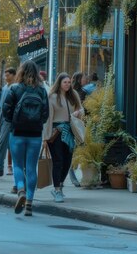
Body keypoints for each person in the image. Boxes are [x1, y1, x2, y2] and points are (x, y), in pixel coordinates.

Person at [2, 61, 49, 216]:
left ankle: (20, 189)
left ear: (20, 72)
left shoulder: (14, 88)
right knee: (31, 168)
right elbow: (45, 113)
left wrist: (13, 122)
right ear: (36, 73)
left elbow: (6, 110)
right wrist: (37, 124)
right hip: (35, 134)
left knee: (17, 165)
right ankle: (29, 203)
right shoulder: (41, 90)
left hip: (17, 132)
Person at [44, 72, 84, 203]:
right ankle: (56, 190)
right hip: (56, 132)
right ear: (59, 83)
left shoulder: (74, 95)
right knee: (58, 161)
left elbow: (81, 109)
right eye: (65, 82)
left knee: (67, 162)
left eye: (69, 82)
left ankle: (60, 184)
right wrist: (46, 137)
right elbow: (48, 118)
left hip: (70, 131)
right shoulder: (52, 97)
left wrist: (78, 112)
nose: (67, 84)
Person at [0, 67, 17, 180]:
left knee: (2, 143)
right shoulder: (5, 87)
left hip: (9, 117)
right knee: (8, 144)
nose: (5, 77)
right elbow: (1, 103)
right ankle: (12, 167)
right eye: (5, 75)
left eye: (8, 75)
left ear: (14, 75)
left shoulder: (16, 87)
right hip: (2, 115)